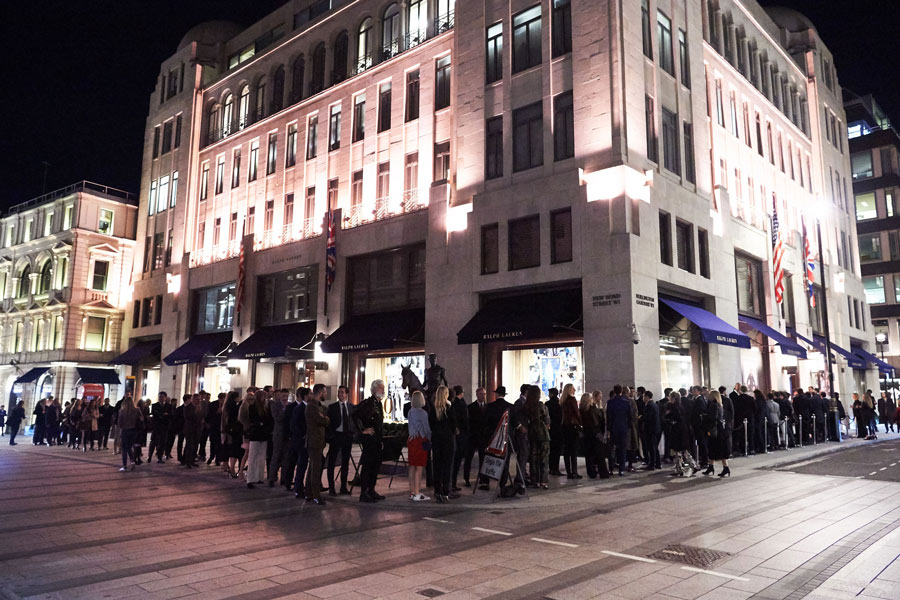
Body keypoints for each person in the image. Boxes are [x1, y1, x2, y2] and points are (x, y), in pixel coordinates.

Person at [354, 380, 386, 502]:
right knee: (367, 466)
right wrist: (363, 430)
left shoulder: (378, 404)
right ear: (374, 390)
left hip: (377, 440)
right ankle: (364, 492)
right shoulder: (368, 404)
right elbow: (355, 415)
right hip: (369, 441)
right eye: (381, 388)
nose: (383, 390)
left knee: (375, 466)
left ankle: (371, 489)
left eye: (383, 388)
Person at [429, 385, 457, 503]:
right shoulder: (449, 408)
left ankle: (437, 491)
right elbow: (454, 425)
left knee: (437, 466)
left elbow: (431, 425)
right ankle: (446, 491)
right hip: (448, 441)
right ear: (446, 395)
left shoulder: (432, 409)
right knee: (447, 466)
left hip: (436, 440)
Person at [326, 385, 354, 495]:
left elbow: (353, 421)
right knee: (332, 462)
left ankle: (343, 487)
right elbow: (329, 423)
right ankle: (331, 487)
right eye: (339, 392)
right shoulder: (332, 407)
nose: (340, 394)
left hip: (347, 436)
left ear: (347, 394)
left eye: (342, 392)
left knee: (345, 463)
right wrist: (331, 436)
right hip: (336, 436)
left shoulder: (351, 407)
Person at [304, 385, 329, 505]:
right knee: (315, 469)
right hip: (314, 441)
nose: (326, 394)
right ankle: (315, 495)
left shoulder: (318, 406)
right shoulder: (312, 406)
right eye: (324, 392)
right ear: (320, 393)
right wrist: (326, 419)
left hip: (318, 441)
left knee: (313, 467)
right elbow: (322, 420)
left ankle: (309, 492)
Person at [241, 391, 271, 487]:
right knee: (253, 457)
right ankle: (251, 479)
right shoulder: (253, 407)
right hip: (255, 435)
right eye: (263, 397)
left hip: (263, 435)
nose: (264, 399)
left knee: (261, 457)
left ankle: (259, 477)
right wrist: (261, 424)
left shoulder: (265, 408)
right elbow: (253, 420)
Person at [665, 391, 698, 476]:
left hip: (677, 431)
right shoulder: (681, 406)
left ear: (673, 398)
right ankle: (693, 465)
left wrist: (671, 421)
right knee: (684, 451)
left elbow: (675, 419)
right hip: (683, 430)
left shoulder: (674, 407)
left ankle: (680, 469)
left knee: (678, 451)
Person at [406, 390, 431, 501]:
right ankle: (417, 492)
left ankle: (412, 492)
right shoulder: (423, 413)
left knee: (412, 466)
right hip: (420, 440)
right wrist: (430, 438)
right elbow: (426, 429)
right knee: (419, 467)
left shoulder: (410, 412)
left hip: (411, 440)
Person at [526, 385, 550, 489]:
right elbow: (547, 420)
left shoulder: (527, 406)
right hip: (543, 434)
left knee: (533, 458)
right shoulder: (542, 406)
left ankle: (535, 480)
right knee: (544, 458)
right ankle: (543, 481)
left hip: (531, 434)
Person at [607, 385, 633, 476]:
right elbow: (630, 416)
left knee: (612, 449)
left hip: (613, 428)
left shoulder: (610, 402)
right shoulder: (626, 402)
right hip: (623, 428)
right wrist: (628, 426)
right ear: (621, 391)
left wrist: (608, 429)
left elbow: (609, 417)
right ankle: (621, 469)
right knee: (622, 449)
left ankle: (610, 468)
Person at [464, 387, 487, 487]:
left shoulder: (488, 407)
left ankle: (483, 478)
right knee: (469, 458)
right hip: (473, 437)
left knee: (483, 458)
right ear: (477, 395)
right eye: (481, 394)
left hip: (483, 437)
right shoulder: (470, 407)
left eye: (484, 394)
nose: (483, 396)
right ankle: (466, 478)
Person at [267, 389, 289, 487]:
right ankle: (272, 477)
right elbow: (278, 418)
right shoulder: (275, 405)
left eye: (286, 396)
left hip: (287, 434)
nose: (285, 398)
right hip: (278, 434)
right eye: (283, 396)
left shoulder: (290, 405)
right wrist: (284, 410)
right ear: (280, 396)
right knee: (276, 456)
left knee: (286, 457)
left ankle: (284, 478)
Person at [291, 387, 311, 497]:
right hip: (301, 441)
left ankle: (302, 486)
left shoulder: (308, 407)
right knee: (301, 464)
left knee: (304, 463)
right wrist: (302, 435)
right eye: (310, 394)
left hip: (307, 440)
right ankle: (298, 488)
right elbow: (294, 424)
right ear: (306, 396)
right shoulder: (300, 408)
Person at [450, 385, 470, 492]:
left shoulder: (451, 404)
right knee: (457, 461)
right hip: (461, 436)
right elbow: (465, 420)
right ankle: (452, 483)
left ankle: (451, 482)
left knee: (453, 461)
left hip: (453, 436)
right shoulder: (462, 404)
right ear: (461, 393)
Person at [706, 390, 730, 477]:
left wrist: (705, 417)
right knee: (718, 449)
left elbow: (713, 417)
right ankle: (718, 467)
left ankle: (715, 467)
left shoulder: (713, 405)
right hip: (720, 429)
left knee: (714, 448)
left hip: (715, 429)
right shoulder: (720, 405)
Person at [116, 397, 143, 471]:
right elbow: (142, 419)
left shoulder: (121, 411)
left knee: (125, 449)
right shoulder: (137, 410)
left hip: (125, 430)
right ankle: (132, 461)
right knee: (129, 447)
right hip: (134, 430)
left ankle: (124, 466)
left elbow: (119, 423)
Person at [221, 391, 244, 478]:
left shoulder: (227, 406)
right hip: (235, 430)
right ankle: (233, 469)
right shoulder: (235, 406)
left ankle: (231, 468)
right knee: (235, 450)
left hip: (231, 430)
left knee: (232, 449)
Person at [560, 388, 582, 479]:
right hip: (573, 426)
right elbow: (576, 412)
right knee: (573, 450)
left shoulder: (562, 401)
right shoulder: (572, 400)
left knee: (567, 450)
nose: (574, 389)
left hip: (565, 426)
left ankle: (569, 472)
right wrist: (581, 422)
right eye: (573, 388)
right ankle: (574, 471)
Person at [148, 392, 172, 463]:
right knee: (153, 442)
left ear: (165, 397)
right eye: (159, 397)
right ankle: (150, 456)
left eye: (162, 397)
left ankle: (159, 457)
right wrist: (163, 415)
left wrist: (164, 415)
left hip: (164, 427)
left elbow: (170, 415)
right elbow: (154, 415)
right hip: (156, 427)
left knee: (162, 443)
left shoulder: (169, 406)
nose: (160, 398)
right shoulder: (155, 405)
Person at [641, 391, 661, 470]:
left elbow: (648, 418)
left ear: (647, 397)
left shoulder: (649, 405)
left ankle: (652, 464)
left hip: (650, 429)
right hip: (656, 429)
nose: (643, 398)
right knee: (655, 447)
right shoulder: (655, 405)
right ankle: (658, 463)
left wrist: (641, 418)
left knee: (651, 447)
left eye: (644, 396)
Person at [546, 388, 563, 475]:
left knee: (551, 450)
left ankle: (551, 468)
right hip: (558, 430)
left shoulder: (547, 404)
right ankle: (555, 468)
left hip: (550, 429)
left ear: (552, 394)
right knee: (557, 450)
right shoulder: (559, 404)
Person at [206, 392, 223, 465]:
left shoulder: (225, 405)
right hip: (214, 426)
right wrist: (216, 412)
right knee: (213, 442)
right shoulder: (213, 404)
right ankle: (211, 456)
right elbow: (209, 415)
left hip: (221, 427)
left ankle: (218, 459)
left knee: (220, 444)